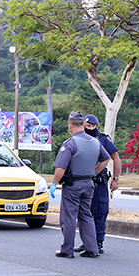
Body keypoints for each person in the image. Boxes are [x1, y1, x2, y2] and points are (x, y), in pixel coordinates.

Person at [49, 111, 110, 259]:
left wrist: (54, 183)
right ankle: (91, 248)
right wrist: (94, 173)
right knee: (86, 215)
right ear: (83, 125)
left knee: (69, 216)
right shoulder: (95, 142)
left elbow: (60, 168)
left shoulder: (70, 143)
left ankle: (67, 250)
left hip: (73, 184)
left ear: (70, 126)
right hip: (89, 183)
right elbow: (106, 159)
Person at [73, 115, 123, 255]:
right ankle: (87, 242)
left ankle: (98, 242)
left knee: (100, 211)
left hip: (98, 181)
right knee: (84, 212)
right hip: (83, 180)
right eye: (87, 126)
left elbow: (116, 158)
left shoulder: (103, 139)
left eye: (92, 126)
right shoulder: (78, 139)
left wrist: (116, 179)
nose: (90, 129)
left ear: (96, 126)